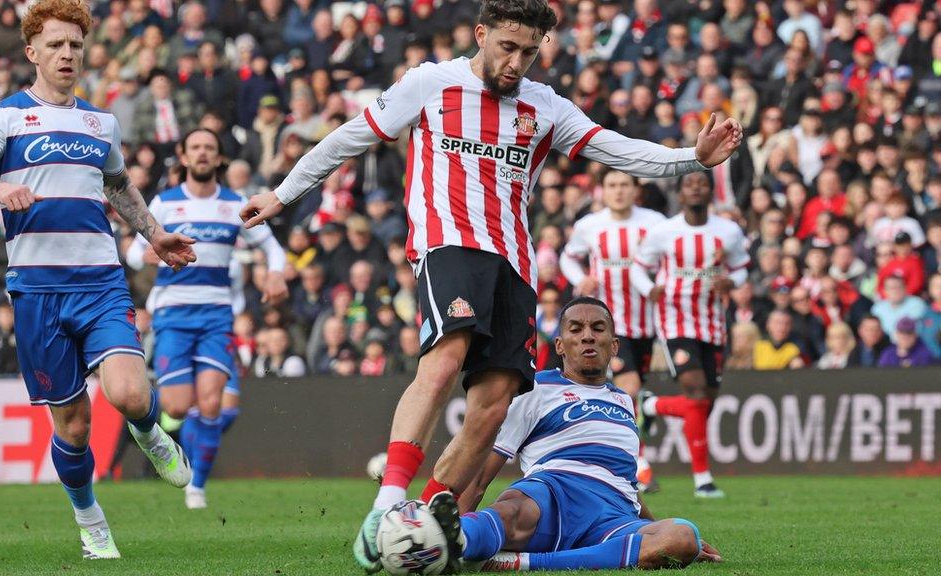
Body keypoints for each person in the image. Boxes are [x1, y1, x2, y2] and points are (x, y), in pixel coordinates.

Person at [239, 0, 742, 570]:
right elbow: (349, 138)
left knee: (495, 402)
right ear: (481, 34)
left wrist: (693, 158)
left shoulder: (543, 105)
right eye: (507, 46)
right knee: (447, 354)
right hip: (450, 245)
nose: (516, 62)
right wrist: (281, 196)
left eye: (529, 51)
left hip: (515, 265)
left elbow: (616, 147)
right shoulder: (431, 83)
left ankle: (418, 527)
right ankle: (386, 506)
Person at [0, 0, 196, 559]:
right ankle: (91, 521)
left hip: (100, 281)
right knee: (74, 427)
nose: (67, 54)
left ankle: (151, 432)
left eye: (75, 45)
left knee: (129, 394)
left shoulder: (100, 122)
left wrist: (154, 234)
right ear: (32, 52)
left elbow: (119, 186)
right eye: (55, 44)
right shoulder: (4, 118)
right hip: (37, 290)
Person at [455, 297, 722, 572]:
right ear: (560, 345)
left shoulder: (623, 401)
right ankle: (446, 543)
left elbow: (626, 482)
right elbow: (480, 476)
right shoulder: (534, 389)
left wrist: (657, 532)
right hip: (551, 496)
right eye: (575, 329)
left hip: (613, 514)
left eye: (597, 328)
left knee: (683, 535)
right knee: (509, 511)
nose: (587, 337)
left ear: (614, 344)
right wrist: (458, 520)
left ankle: (522, 562)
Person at [125, 128, 287, 510]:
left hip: (217, 315)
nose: (201, 154)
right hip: (172, 313)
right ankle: (152, 434)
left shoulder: (235, 205)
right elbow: (133, 254)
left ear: (218, 159)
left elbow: (273, 250)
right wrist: (147, 255)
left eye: (208, 149)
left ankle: (196, 485)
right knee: (178, 406)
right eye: (195, 147)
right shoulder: (164, 204)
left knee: (212, 405)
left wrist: (276, 272)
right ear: (183, 156)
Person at [630, 171, 749, 498]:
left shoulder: (729, 231)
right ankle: (703, 480)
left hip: (713, 321)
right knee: (696, 393)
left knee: (706, 402)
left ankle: (652, 406)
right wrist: (649, 289)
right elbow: (638, 267)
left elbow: (741, 266)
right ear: (681, 194)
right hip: (675, 319)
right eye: (689, 184)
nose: (696, 188)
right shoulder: (663, 232)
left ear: (710, 191)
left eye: (702, 183)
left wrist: (732, 283)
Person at [559, 169, 665, 492]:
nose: (618, 191)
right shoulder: (589, 226)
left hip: (645, 322)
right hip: (607, 325)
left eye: (624, 185)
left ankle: (630, 460)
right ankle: (639, 466)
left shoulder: (656, 222)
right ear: (602, 191)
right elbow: (568, 257)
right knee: (629, 387)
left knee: (630, 395)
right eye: (612, 185)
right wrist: (580, 280)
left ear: (636, 190)